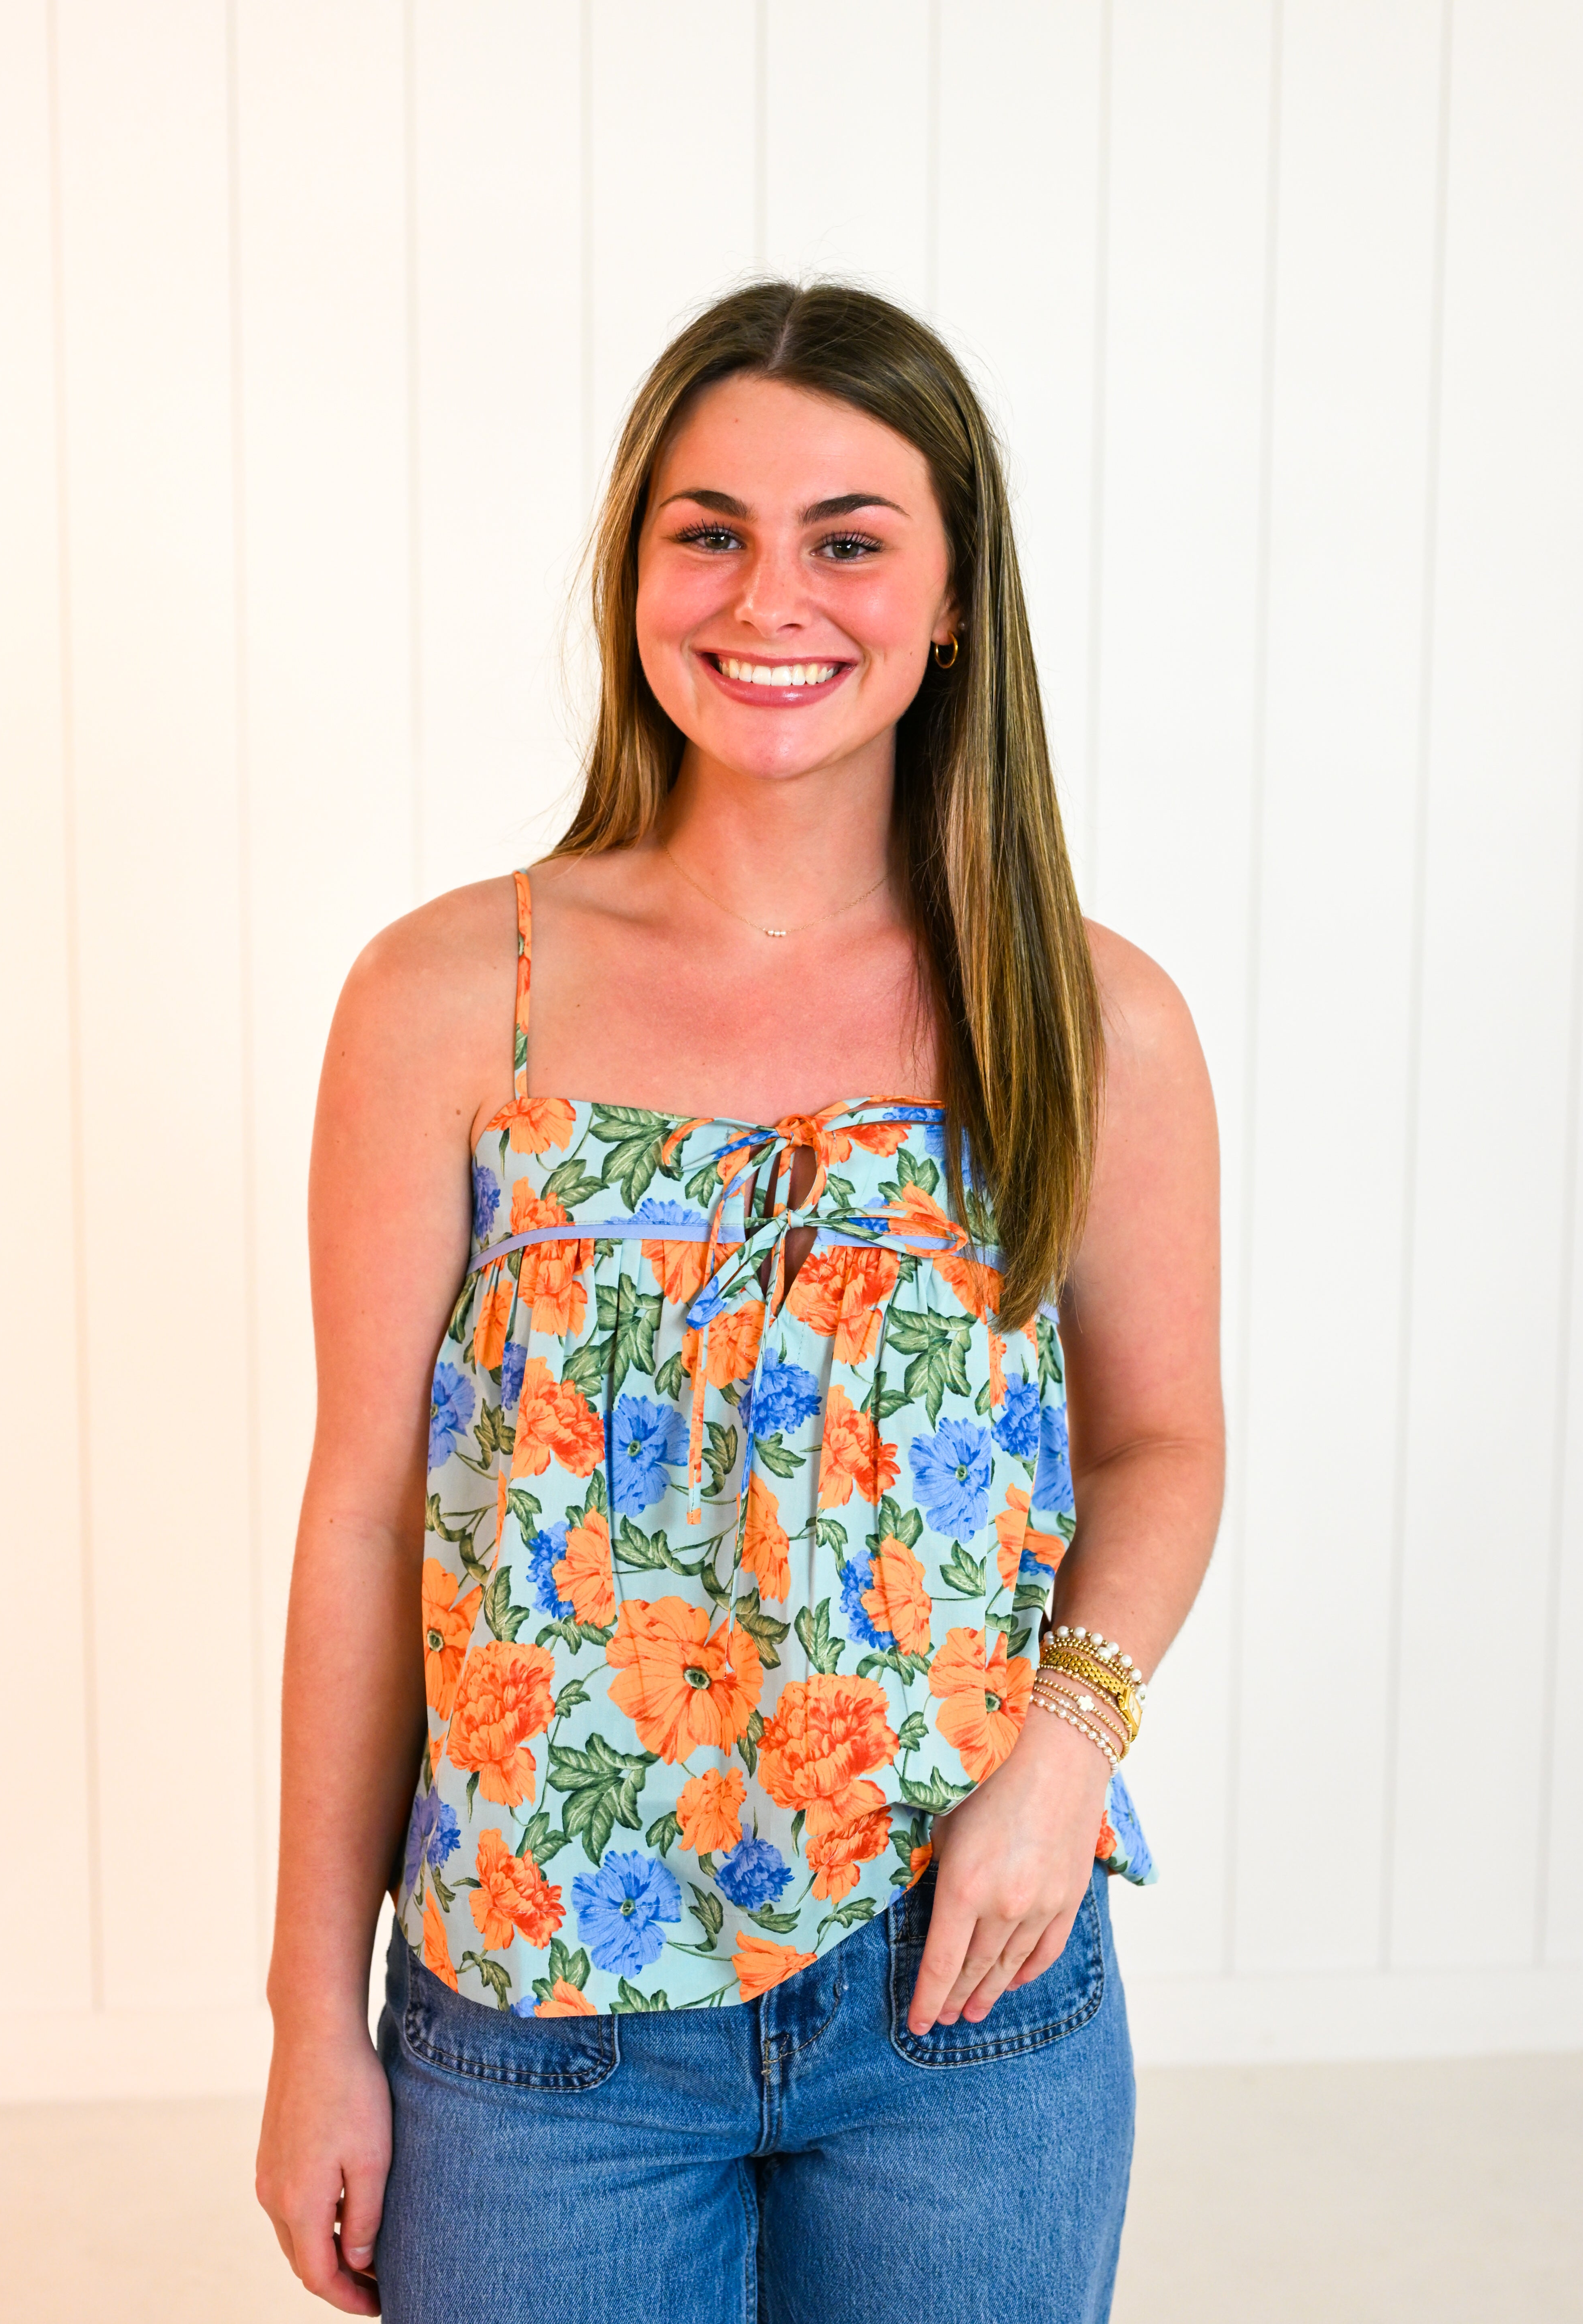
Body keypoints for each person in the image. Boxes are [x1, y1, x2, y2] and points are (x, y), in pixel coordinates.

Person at [255, 280, 1223, 2324]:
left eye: (848, 537)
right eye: (708, 530)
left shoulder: (1085, 1010)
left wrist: (1066, 1758)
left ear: (953, 597)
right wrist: (306, 2018)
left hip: (964, 1987)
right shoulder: (448, 995)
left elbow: (1163, 1441)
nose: (770, 594)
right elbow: (359, 1515)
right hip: (535, 2032)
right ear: (634, 573)